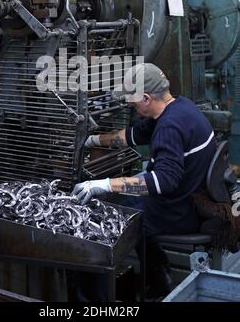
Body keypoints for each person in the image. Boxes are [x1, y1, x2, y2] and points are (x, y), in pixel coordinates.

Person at [73, 63, 217, 298]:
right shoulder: (179, 107)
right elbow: (132, 136)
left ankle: (94, 301)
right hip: (188, 196)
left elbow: (162, 182)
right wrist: (92, 141)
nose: (128, 104)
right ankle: (158, 279)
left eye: (131, 99)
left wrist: (104, 184)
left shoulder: (169, 127)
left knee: (98, 224)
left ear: (147, 98)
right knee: (122, 202)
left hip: (179, 212)